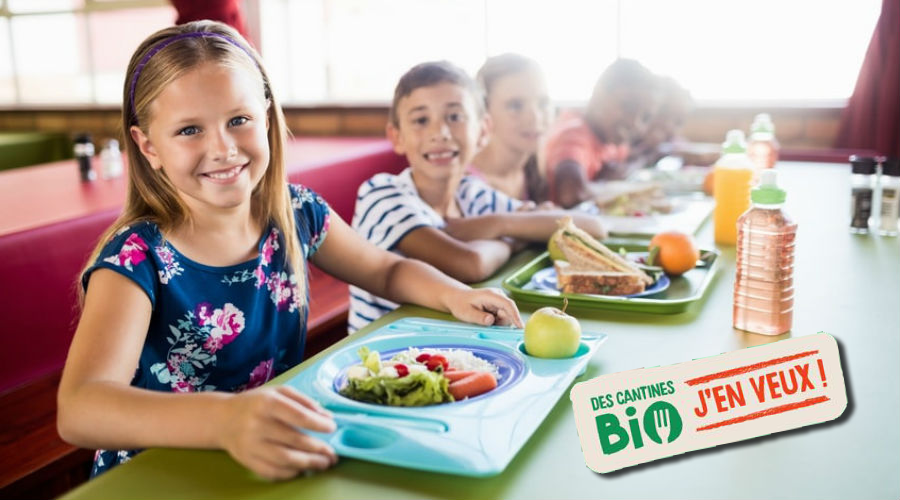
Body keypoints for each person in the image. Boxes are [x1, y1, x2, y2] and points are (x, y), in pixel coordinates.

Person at [56, 21, 523, 481]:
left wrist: (454, 295)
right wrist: (226, 419)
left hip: (274, 453)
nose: (223, 148)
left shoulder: (296, 212)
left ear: (265, 114)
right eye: (189, 130)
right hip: (161, 474)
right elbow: (80, 406)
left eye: (238, 120)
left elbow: (386, 270)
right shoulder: (136, 257)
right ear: (147, 145)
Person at [349, 61, 605, 333]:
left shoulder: (470, 193)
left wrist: (499, 224)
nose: (440, 133)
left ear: (483, 130)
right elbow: (468, 264)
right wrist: (515, 238)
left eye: (455, 117)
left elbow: (591, 227)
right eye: (421, 120)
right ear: (397, 136)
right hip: (384, 354)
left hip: (453, 341)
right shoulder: (382, 194)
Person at [543, 58, 659, 208]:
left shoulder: (612, 140)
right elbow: (570, 194)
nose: (634, 123)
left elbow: (624, 165)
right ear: (599, 94)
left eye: (645, 118)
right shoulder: (573, 135)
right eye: (628, 107)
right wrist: (618, 187)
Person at [470, 53, 553, 203]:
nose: (535, 118)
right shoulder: (466, 185)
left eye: (543, 103)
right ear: (484, 112)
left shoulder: (534, 171)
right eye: (515, 105)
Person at [626, 76, 693, 170]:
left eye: (678, 121)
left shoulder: (675, 144)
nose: (669, 125)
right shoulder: (625, 139)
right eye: (664, 113)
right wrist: (647, 147)